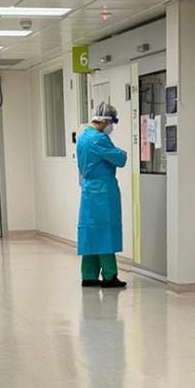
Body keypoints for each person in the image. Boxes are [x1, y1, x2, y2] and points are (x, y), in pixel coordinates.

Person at [77, 102, 128, 288]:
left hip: (88, 191)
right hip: (103, 192)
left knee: (91, 232)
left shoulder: (83, 136)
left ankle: (89, 275)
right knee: (105, 232)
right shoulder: (98, 139)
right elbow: (120, 159)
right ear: (105, 121)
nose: (111, 127)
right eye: (111, 123)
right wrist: (122, 152)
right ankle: (109, 276)